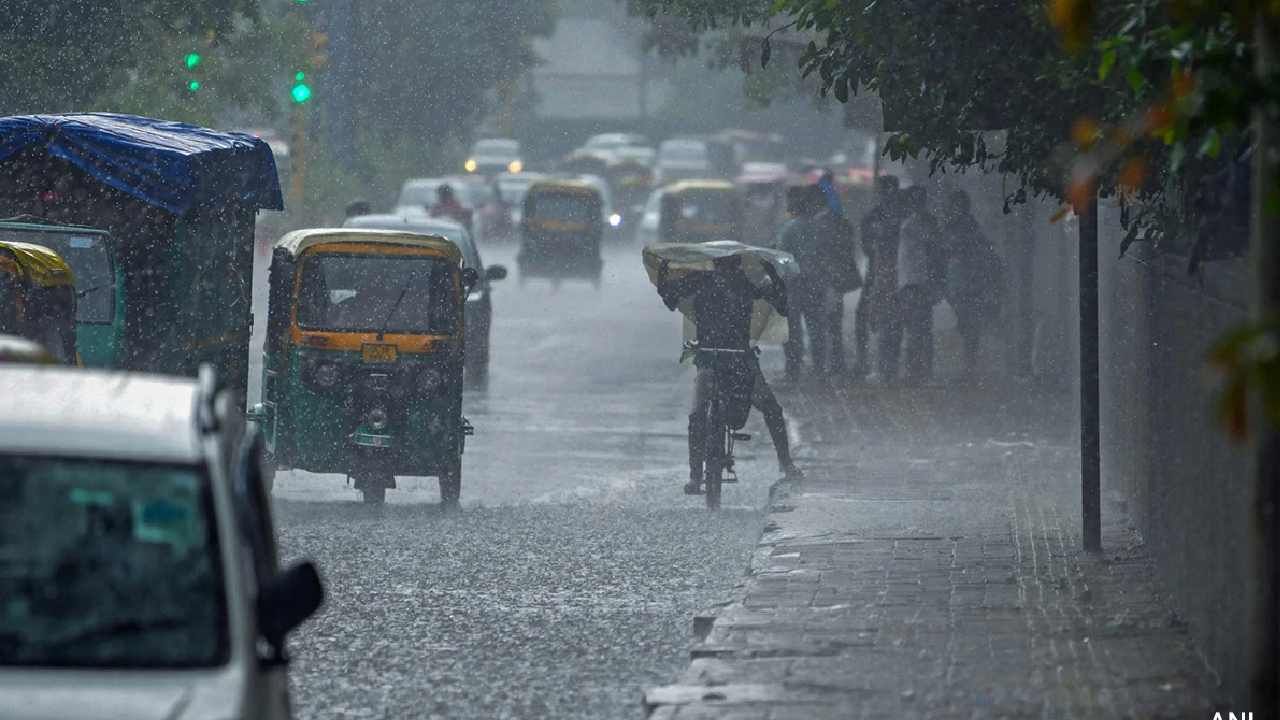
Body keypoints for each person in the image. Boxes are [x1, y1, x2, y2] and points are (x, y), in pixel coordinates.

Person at [655, 254, 802, 494]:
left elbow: (670, 299)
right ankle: (786, 464)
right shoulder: (742, 282)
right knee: (770, 409)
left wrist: (663, 272)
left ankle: (695, 476)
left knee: (698, 415)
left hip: (713, 358)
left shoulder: (702, 280)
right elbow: (781, 302)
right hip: (738, 359)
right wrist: (772, 274)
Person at [886, 186, 945, 385]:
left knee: (915, 330)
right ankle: (920, 371)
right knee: (919, 329)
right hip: (916, 282)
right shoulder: (922, 223)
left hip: (914, 282)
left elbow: (927, 253)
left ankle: (917, 372)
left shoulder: (914, 224)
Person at [943, 190, 1004, 376]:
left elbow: (979, 248)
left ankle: (969, 363)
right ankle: (969, 362)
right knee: (967, 320)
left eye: (960, 205)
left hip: (968, 278)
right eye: (955, 205)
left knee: (969, 321)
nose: (957, 209)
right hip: (960, 278)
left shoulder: (968, 226)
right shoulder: (955, 226)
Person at [779, 186, 837, 378]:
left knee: (792, 331)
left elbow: (782, 258)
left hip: (794, 285)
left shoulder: (788, 229)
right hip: (815, 284)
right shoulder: (819, 228)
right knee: (816, 328)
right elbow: (826, 256)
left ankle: (793, 369)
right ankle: (820, 368)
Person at [856, 176, 901, 380]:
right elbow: (867, 246)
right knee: (877, 317)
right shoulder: (882, 216)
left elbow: (867, 246)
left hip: (889, 273)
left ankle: (883, 364)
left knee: (887, 318)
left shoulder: (884, 216)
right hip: (882, 272)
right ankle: (875, 362)